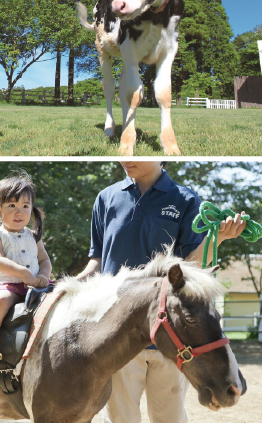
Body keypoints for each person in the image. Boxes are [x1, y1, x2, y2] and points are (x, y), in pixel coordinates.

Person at [77, 161, 247, 423]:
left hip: (173, 339)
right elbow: (97, 262)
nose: (127, 159)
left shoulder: (185, 199)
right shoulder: (106, 197)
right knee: (120, 419)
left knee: (169, 418)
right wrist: (66, 286)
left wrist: (218, 238)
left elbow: (190, 268)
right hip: (117, 336)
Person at [0, 173, 52, 366]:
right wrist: (24, 273)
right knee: (1, 300)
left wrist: (43, 275)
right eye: (12, 206)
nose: (19, 212)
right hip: (6, 285)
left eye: (25, 206)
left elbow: (45, 259)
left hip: (33, 286)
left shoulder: (34, 236)